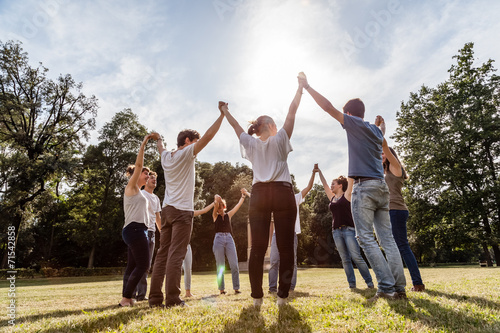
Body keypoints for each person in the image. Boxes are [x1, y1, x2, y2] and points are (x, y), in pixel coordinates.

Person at [299, 73, 406, 300]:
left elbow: (328, 107)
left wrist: (307, 86)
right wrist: (381, 124)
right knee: (387, 239)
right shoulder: (376, 131)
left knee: (365, 238)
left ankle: (386, 287)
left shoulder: (353, 124)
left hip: (364, 187)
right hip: (381, 187)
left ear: (348, 114)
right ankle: (399, 288)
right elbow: (382, 134)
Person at [219, 75, 303, 307]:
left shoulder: (252, 143)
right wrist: (299, 88)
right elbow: (292, 112)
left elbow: (236, 127)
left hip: (259, 195)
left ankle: (257, 297)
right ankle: (282, 297)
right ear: (271, 126)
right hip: (283, 192)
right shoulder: (280, 138)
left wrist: (225, 111)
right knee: (286, 248)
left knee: (257, 248)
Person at [149, 109, 225, 308]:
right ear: (189, 140)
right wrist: (222, 115)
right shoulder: (187, 153)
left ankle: (155, 298)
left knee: (162, 253)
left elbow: (160, 147)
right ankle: (173, 299)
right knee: (176, 254)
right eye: (195, 141)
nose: (197, 147)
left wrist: (158, 139)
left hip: (166, 211)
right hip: (182, 212)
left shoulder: (167, 157)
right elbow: (208, 137)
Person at [379, 121, 425, 292]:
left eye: (384, 154)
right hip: (391, 211)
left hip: (396, 211)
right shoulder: (385, 172)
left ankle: (418, 283)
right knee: (394, 247)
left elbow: (385, 146)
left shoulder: (396, 169)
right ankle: (397, 280)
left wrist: (381, 130)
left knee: (402, 246)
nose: (382, 155)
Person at [316, 166, 374, 289]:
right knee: (345, 259)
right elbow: (324, 184)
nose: (331, 186)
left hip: (349, 230)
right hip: (336, 232)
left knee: (356, 257)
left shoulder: (347, 195)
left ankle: (369, 282)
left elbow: (351, 179)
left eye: (333, 184)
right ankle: (352, 284)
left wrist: (354, 162)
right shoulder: (332, 198)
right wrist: (319, 172)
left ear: (340, 185)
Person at [119, 133, 157, 307]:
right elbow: (139, 164)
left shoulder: (141, 193)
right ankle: (127, 297)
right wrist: (144, 143)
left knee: (133, 265)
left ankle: (126, 298)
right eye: (146, 173)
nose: (148, 175)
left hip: (137, 229)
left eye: (149, 174)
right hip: (134, 229)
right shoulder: (132, 186)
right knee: (143, 265)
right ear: (137, 173)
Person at [268, 168, 317, 293]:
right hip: (276, 234)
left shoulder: (295, 198)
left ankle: (290, 287)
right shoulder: (275, 201)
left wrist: (313, 173)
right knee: (274, 261)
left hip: (291, 234)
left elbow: (309, 187)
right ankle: (272, 288)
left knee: (292, 262)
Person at [212, 189, 249, 295]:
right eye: (218, 207)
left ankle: (236, 288)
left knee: (234, 265)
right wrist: (216, 199)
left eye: (220, 207)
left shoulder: (228, 215)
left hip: (229, 239)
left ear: (224, 207)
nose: (219, 209)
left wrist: (243, 196)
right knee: (220, 266)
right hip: (218, 240)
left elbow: (238, 206)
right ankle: (222, 289)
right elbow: (215, 202)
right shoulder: (215, 216)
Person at [134, 171, 162, 301]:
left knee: (147, 265)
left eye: (155, 179)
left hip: (152, 233)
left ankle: (141, 295)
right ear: (146, 180)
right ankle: (131, 293)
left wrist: (162, 233)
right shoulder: (141, 194)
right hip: (141, 230)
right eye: (151, 178)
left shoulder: (156, 198)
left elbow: (158, 218)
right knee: (138, 263)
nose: (154, 180)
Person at [182, 202, 215, 298]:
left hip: (187, 245)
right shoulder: (176, 213)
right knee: (175, 269)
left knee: (188, 269)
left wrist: (214, 202)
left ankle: (188, 292)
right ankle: (172, 292)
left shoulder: (190, 213)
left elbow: (204, 211)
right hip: (176, 246)